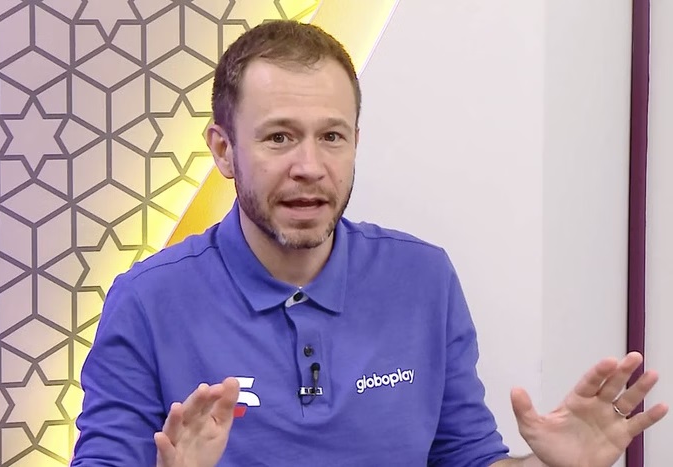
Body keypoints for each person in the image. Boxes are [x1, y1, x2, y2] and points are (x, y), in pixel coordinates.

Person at [71, 20, 668, 467]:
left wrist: (548, 464)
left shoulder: (423, 280)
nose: (310, 165)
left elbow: (464, 459)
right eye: (279, 137)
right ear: (224, 151)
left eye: (331, 136)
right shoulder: (147, 301)